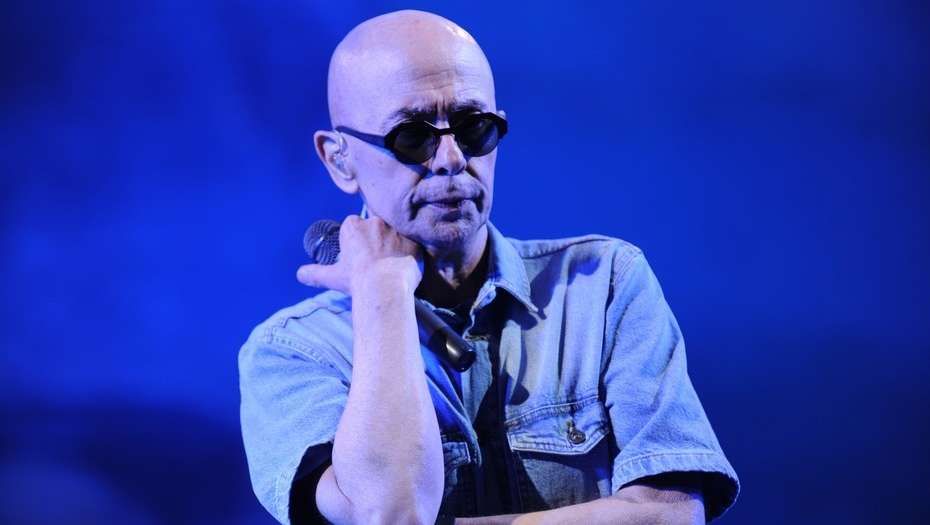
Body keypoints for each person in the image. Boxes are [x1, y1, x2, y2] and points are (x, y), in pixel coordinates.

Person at [238, 9, 739, 525]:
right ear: (340, 160)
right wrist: (384, 293)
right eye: (412, 136)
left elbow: (671, 515)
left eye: (474, 128)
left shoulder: (602, 283)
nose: (451, 158)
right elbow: (391, 512)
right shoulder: (292, 353)